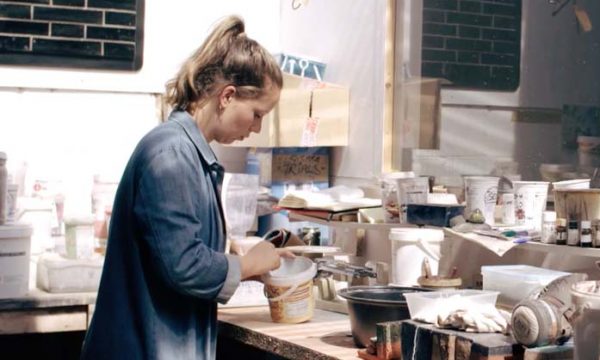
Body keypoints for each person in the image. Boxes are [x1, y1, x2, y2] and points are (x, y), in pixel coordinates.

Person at [81, 15, 292, 359]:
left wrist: (246, 268)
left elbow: (176, 255)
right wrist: (248, 265)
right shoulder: (171, 155)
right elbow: (184, 266)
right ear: (227, 96)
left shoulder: (190, 154)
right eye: (256, 113)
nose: (257, 128)